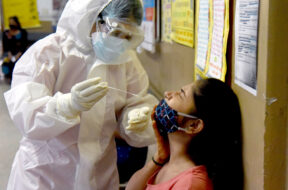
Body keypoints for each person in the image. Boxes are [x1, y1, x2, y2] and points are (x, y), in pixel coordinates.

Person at [4, 0, 158, 189]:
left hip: (99, 173)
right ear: (90, 17)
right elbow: (25, 113)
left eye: (127, 36)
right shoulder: (47, 53)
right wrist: (67, 105)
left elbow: (137, 100)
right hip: (45, 175)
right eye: (115, 32)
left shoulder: (126, 60)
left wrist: (135, 118)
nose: (119, 42)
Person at [126, 78, 244, 190]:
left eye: (181, 94)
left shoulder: (190, 183)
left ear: (194, 126)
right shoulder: (165, 162)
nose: (168, 94)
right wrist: (159, 158)